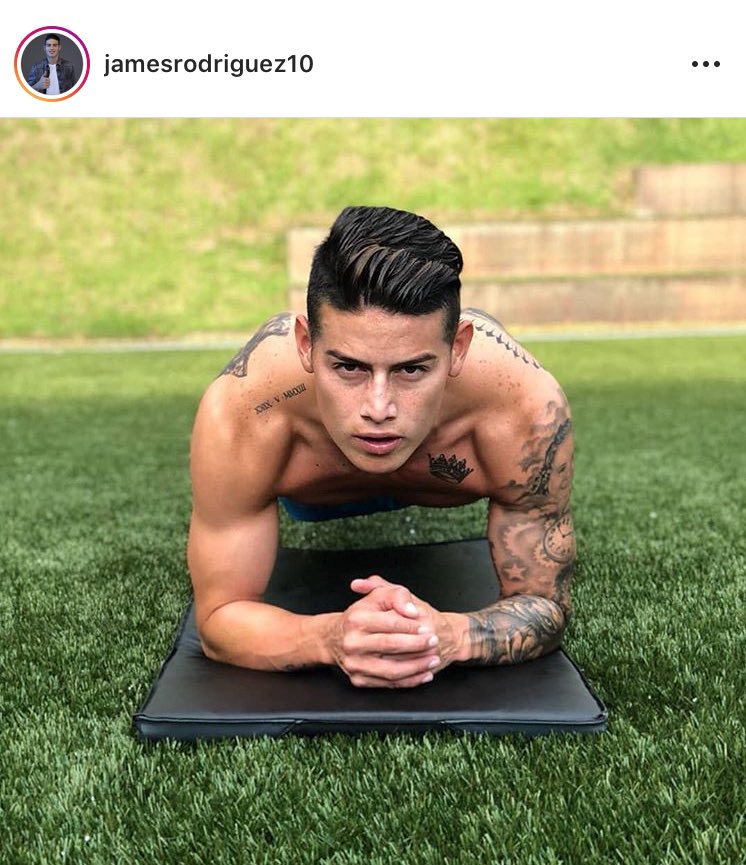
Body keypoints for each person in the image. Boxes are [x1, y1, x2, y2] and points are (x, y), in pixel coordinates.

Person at [188, 206, 576, 689]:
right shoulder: (248, 408)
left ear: (458, 349)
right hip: (315, 484)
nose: (378, 408)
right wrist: (328, 637)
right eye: (348, 367)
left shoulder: (523, 408)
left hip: (446, 468)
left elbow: (544, 604)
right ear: (305, 344)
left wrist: (451, 635)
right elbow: (219, 617)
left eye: (412, 369)